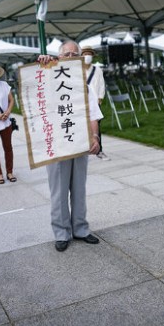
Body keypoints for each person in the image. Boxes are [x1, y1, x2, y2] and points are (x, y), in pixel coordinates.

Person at [37, 40, 102, 252]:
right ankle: (61, 232)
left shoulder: (84, 85)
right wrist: (45, 66)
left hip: (80, 142)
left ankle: (81, 229)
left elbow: (93, 114)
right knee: (59, 190)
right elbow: (34, 87)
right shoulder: (48, 79)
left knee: (78, 188)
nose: (71, 57)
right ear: (58, 57)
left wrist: (95, 137)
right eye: (67, 54)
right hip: (57, 145)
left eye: (76, 54)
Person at [81, 46, 109, 161]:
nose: (87, 56)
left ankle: (99, 149)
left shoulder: (97, 70)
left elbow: (102, 84)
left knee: (96, 126)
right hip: (81, 102)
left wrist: (100, 97)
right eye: (85, 54)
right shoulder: (77, 69)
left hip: (94, 101)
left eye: (89, 54)